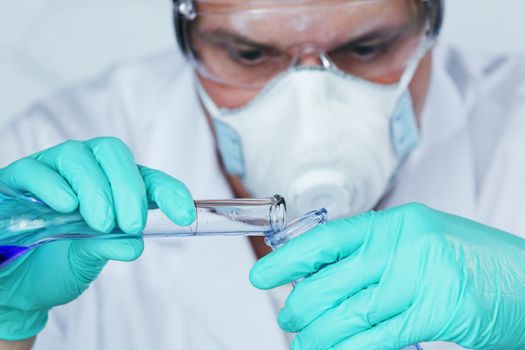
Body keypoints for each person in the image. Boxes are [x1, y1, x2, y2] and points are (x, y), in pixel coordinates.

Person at [1, 0, 525, 349]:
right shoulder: (51, 166)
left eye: (365, 49)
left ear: (428, 21)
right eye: (251, 54)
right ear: (191, 36)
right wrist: (8, 318)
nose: (312, 108)